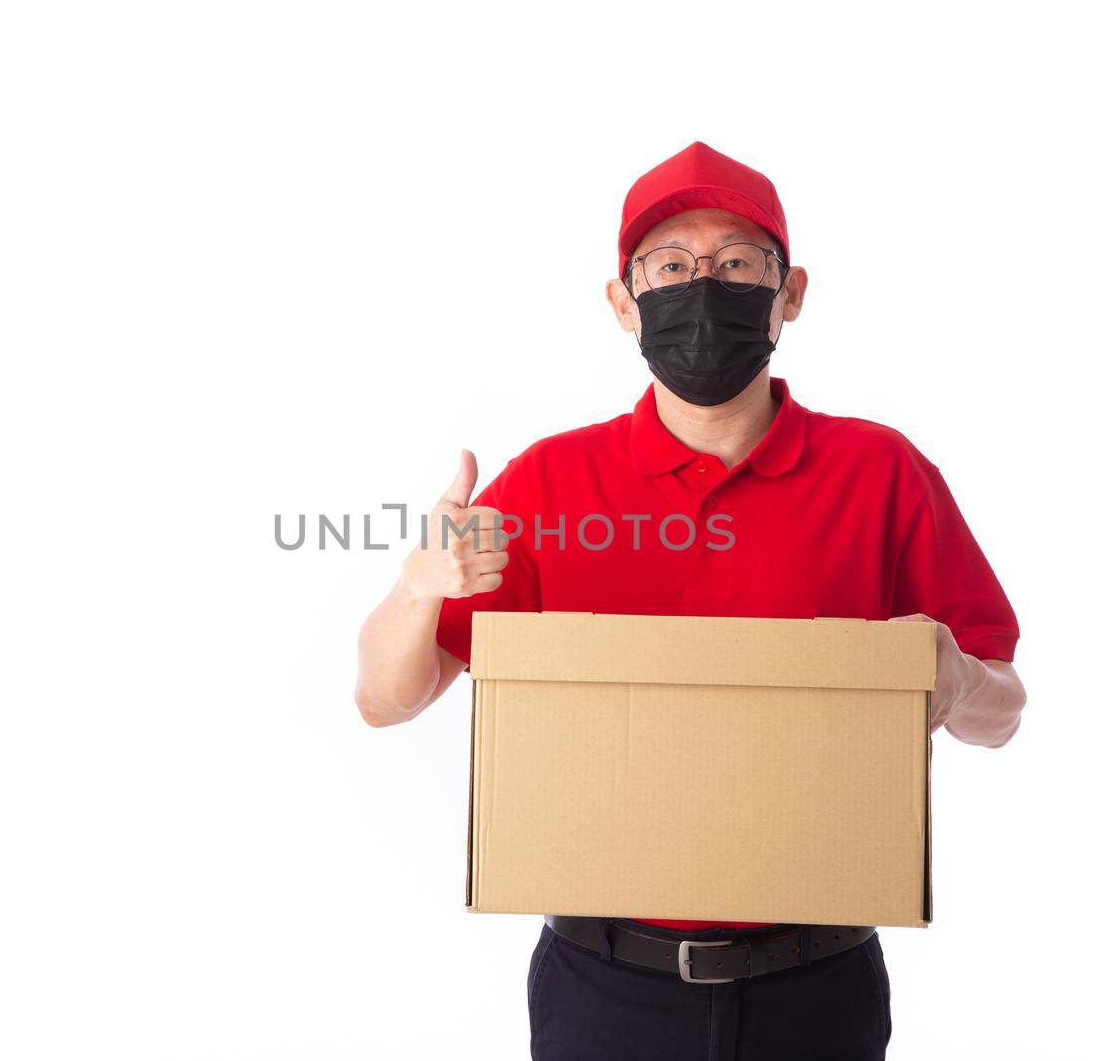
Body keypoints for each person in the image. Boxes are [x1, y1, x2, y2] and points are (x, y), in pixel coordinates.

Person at [354, 140, 1026, 1061]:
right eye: (670, 266)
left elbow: (1004, 710)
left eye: (737, 264)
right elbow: (387, 700)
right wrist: (415, 589)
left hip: (818, 984)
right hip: (605, 987)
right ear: (624, 301)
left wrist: (952, 681)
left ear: (789, 295)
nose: (702, 289)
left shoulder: (883, 474)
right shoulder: (550, 482)